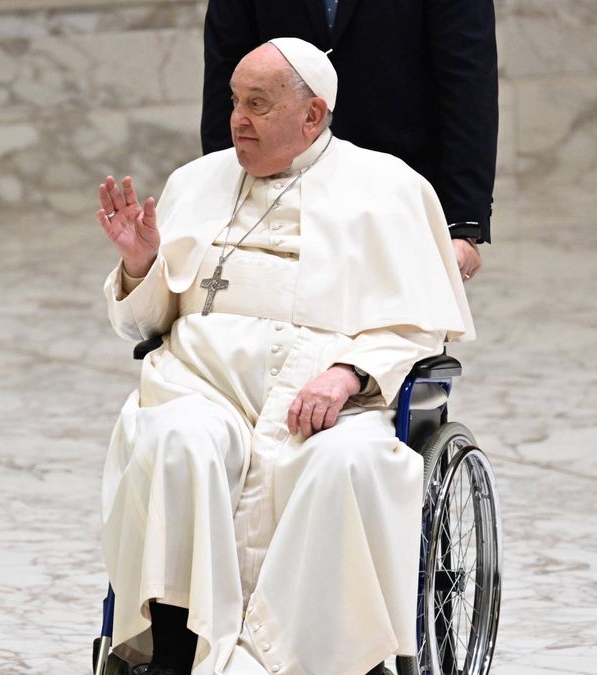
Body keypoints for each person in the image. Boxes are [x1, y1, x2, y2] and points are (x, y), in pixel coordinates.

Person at [97, 38, 473, 675]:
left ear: (313, 115)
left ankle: (324, 659)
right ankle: (175, 648)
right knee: (174, 439)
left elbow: (420, 325)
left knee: (345, 463)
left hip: (328, 400)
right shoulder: (196, 181)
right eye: (235, 101)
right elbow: (146, 323)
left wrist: (348, 372)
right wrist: (141, 264)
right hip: (203, 384)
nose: (238, 119)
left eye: (259, 104)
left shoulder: (389, 187)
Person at [200, 0, 498, 282]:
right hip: (274, 201)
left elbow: (468, 84)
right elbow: (226, 75)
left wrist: (461, 225)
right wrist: (222, 200)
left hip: (399, 199)